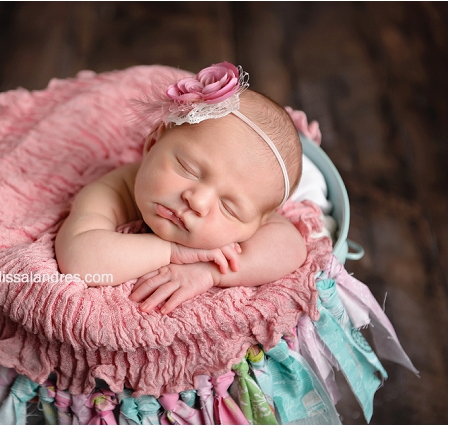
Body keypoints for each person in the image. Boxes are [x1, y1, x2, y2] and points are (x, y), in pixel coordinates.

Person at [55, 62, 307, 315]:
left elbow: (292, 248)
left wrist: (209, 272)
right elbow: (78, 259)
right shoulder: (114, 190)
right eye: (188, 169)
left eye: (229, 208)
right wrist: (173, 251)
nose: (197, 202)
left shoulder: (253, 201)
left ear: (258, 224)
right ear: (153, 143)